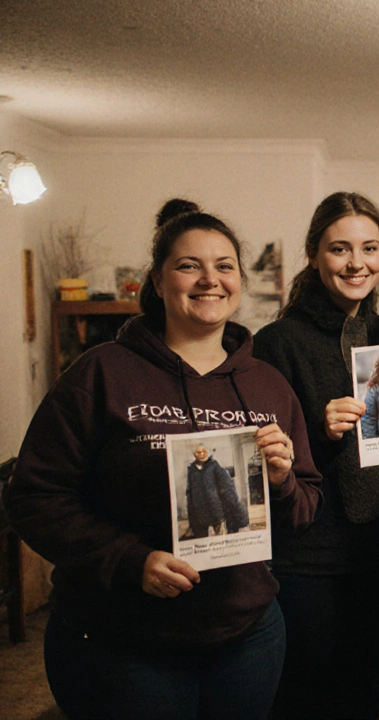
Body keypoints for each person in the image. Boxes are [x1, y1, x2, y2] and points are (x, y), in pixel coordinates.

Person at [4, 199, 321, 720]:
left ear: (239, 279)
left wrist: (283, 482)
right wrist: (131, 560)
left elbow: (304, 510)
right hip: (123, 638)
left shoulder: (268, 384)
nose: (209, 280)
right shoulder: (100, 373)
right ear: (157, 280)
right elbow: (34, 497)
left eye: (224, 266)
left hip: (247, 635)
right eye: (188, 265)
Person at [252, 191, 379, 719]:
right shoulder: (276, 342)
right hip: (309, 559)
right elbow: (262, 454)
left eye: (370, 248)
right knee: (306, 698)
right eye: (340, 249)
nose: (357, 263)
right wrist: (321, 428)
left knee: (364, 695)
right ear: (314, 255)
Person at [185, 444, 249, 538]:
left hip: (216, 511)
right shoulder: (191, 470)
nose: (202, 454)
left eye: (204, 451)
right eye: (199, 452)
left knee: (221, 538)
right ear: (195, 454)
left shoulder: (214, 466)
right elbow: (190, 492)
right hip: (200, 513)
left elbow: (226, 487)